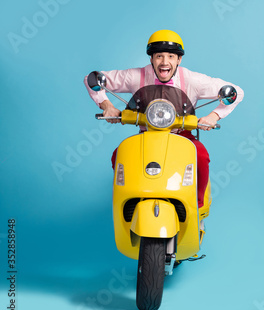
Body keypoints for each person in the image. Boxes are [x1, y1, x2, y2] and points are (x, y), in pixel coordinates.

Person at [84, 29, 244, 207]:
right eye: (159, 56)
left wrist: (214, 116)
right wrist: (108, 106)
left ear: (179, 60)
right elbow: (92, 79)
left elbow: (237, 91)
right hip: (147, 135)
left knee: (201, 156)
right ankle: (127, 201)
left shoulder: (192, 80)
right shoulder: (136, 76)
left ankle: (196, 205)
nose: (165, 62)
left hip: (182, 136)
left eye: (171, 56)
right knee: (120, 154)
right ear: (151, 59)